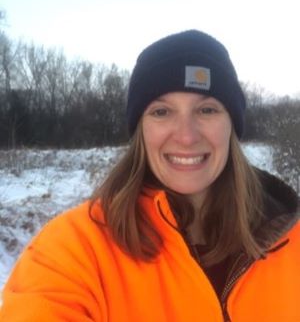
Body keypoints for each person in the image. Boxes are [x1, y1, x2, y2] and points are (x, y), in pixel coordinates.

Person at [0, 30, 299, 322]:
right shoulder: (74, 250)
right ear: (140, 129)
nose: (186, 136)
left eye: (207, 110)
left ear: (232, 125)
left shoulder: (290, 238)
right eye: (161, 112)